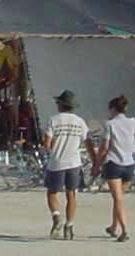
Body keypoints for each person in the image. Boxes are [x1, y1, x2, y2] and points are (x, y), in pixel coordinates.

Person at [93, 95, 135, 243]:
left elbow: (104, 147)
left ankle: (124, 230)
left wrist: (97, 165)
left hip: (114, 164)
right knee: (119, 199)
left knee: (118, 199)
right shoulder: (133, 122)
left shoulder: (110, 124)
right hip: (129, 164)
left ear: (112, 109)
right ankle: (113, 226)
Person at [42, 90, 93, 240]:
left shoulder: (53, 120)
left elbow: (46, 143)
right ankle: (69, 226)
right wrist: (95, 159)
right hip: (74, 162)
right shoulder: (80, 122)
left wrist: (50, 150)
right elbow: (88, 142)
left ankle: (56, 216)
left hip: (57, 161)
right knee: (71, 195)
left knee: (52, 192)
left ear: (61, 105)